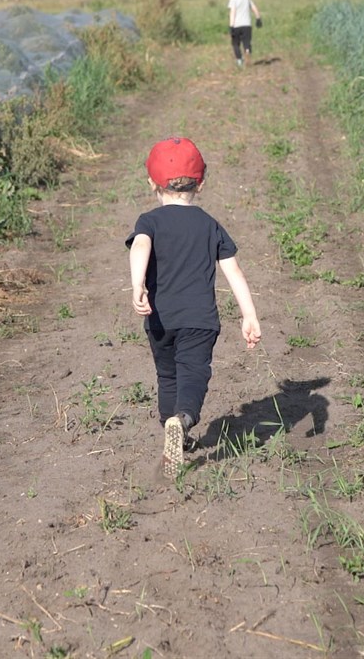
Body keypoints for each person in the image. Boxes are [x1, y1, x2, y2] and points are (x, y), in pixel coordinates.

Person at [126, 136, 262, 476]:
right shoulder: (209, 224)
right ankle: (183, 419)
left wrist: (138, 283)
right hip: (200, 320)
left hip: (160, 318)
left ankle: (171, 428)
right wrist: (249, 315)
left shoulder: (149, 222)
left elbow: (140, 246)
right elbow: (234, 271)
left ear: (151, 184)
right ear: (200, 184)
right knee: (193, 374)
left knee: (167, 374)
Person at [225, 0, 261, 68]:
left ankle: (239, 61)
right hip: (247, 25)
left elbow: (232, 13)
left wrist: (231, 26)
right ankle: (247, 51)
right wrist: (258, 18)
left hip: (237, 26)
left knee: (235, 44)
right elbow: (254, 8)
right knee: (246, 42)